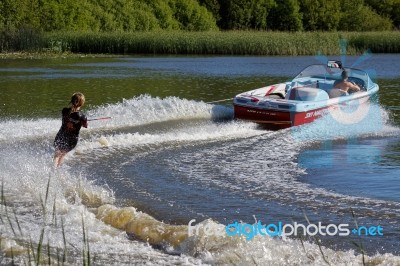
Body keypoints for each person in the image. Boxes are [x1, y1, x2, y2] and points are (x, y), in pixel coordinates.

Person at [53, 92, 88, 167]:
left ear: (71, 101)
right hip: (72, 139)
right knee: (62, 155)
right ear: (82, 103)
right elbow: (85, 126)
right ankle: (56, 172)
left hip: (61, 136)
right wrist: (82, 122)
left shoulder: (64, 111)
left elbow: (70, 118)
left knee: (57, 155)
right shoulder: (82, 116)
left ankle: (52, 171)